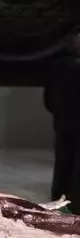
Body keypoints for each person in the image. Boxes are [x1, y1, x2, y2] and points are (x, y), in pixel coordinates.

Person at [45, 33, 80, 202]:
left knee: (62, 160)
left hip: (62, 121)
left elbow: (48, 97)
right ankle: (76, 198)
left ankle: (58, 194)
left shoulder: (57, 66)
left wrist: (57, 112)